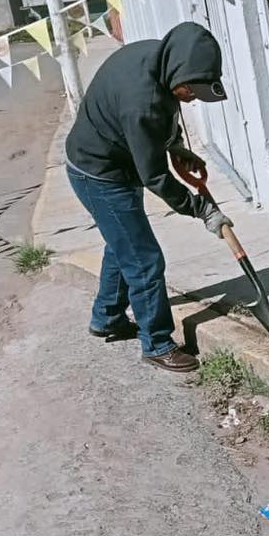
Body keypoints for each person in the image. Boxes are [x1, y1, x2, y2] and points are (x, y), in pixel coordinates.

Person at [64, 21, 232, 372]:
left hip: (113, 159)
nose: (192, 99)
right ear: (178, 75)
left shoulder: (160, 58)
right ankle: (156, 343)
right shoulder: (142, 102)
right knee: (144, 259)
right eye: (191, 92)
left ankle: (107, 317)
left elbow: (161, 117)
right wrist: (201, 209)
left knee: (123, 243)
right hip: (99, 174)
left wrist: (175, 146)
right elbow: (154, 176)